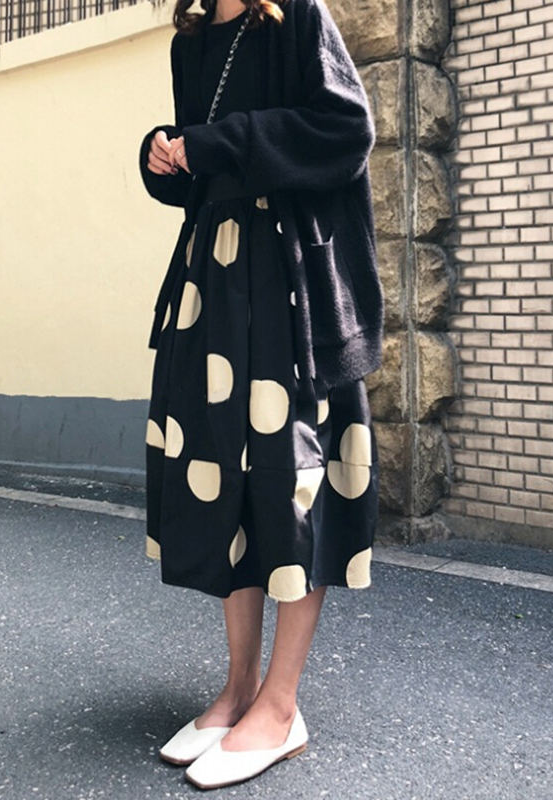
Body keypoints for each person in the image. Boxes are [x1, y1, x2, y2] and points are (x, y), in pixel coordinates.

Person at [138, 0, 383, 789]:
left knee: (292, 482)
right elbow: (206, 174)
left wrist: (216, 142)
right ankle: (240, 687)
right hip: (214, 286)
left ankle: (281, 705)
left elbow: (346, 130)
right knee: (225, 482)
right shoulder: (192, 43)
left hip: (294, 286)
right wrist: (164, 158)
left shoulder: (297, 17)